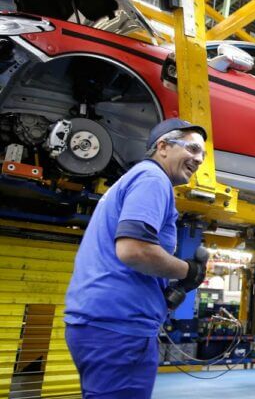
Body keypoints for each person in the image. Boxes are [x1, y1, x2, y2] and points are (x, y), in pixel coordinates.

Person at [64, 119, 209, 398]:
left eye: (202, 154)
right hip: (120, 328)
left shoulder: (135, 179)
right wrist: (188, 271)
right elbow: (134, 250)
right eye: (192, 149)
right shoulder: (153, 179)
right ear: (163, 147)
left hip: (101, 324)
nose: (199, 159)